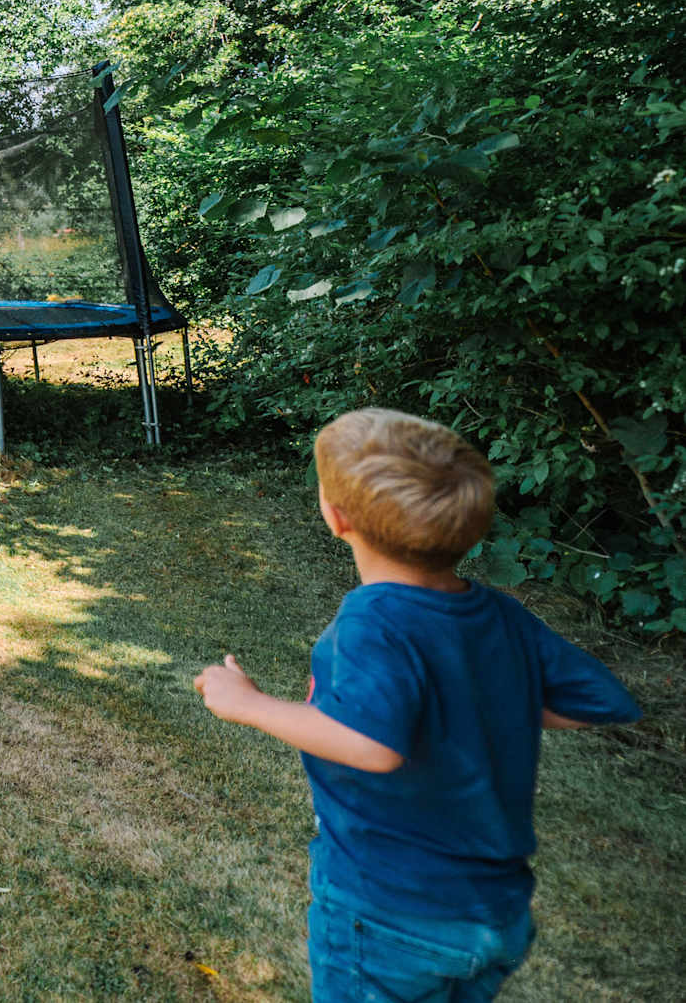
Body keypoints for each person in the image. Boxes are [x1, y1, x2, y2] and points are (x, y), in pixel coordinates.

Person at [192, 408, 640, 1003]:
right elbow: (599, 700)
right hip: (496, 912)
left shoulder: (373, 622)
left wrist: (248, 704)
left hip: (391, 916)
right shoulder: (501, 616)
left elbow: (370, 746)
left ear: (336, 516)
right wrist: (480, 696)